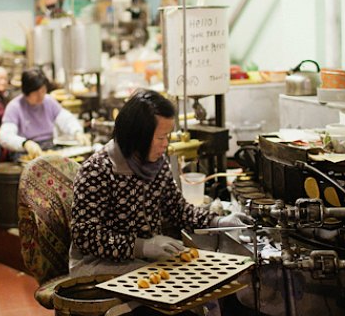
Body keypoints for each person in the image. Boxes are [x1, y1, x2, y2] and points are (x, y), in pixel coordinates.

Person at [69, 88, 248, 277]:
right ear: (138, 136)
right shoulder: (98, 170)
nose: (165, 144)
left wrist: (218, 221)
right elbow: (85, 236)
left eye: (167, 136)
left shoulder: (156, 164)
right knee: (177, 282)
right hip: (98, 264)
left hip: (142, 260)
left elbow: (177, 209)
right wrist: (142, 247)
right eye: (160, 137)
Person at [0, 68, 87, 159]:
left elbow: (65, 118)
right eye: (36, 92)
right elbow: (5, 136)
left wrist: (77, 132)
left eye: (43, 91)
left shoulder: (48, 101)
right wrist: (25, 143)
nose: (41, 96)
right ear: (26, 92)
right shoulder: (15, 107)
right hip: (25, 151)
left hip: (49, 147)